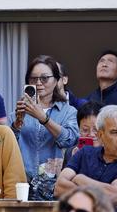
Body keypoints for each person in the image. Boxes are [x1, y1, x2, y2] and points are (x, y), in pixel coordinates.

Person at [55, 104, 117, 212]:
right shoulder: (84, 153)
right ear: (100, 135)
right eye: (115, 132)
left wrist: (79, 178)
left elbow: (111, 196)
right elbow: (59, 188)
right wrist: (102, 193)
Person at [9, 55, 79, 199]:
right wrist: (17, 123)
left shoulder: (69, 112)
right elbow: (8, 147)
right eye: (33, 79)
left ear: (56, 80)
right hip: (22, 184)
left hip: (54, 186)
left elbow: (70, 141)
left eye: (44, 78)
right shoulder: (17, 112)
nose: (38, 83)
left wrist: (43, 118)